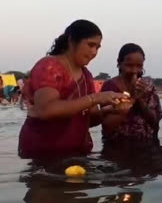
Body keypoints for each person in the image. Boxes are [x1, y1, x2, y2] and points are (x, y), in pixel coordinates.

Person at [18, 20, 126, 159]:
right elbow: (46, 110)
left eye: (98, 47)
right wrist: (96, 98)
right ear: (71, 41)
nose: (94, 52)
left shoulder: (86, 75)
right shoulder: (49, 66)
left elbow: (89, 120)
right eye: (90, 45)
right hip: (43, 154)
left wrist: (112, 110)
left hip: (77, 153)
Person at [100, 43, 162, 153]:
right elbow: (107, 125)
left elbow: (154, 122)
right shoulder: (109, 87)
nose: (134, 70)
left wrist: (140, 99)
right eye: (129, 65)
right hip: (116, 147)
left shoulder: (148, 87)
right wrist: (132, 97)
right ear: (119, 64)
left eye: (139, 66)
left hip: (147, 146)